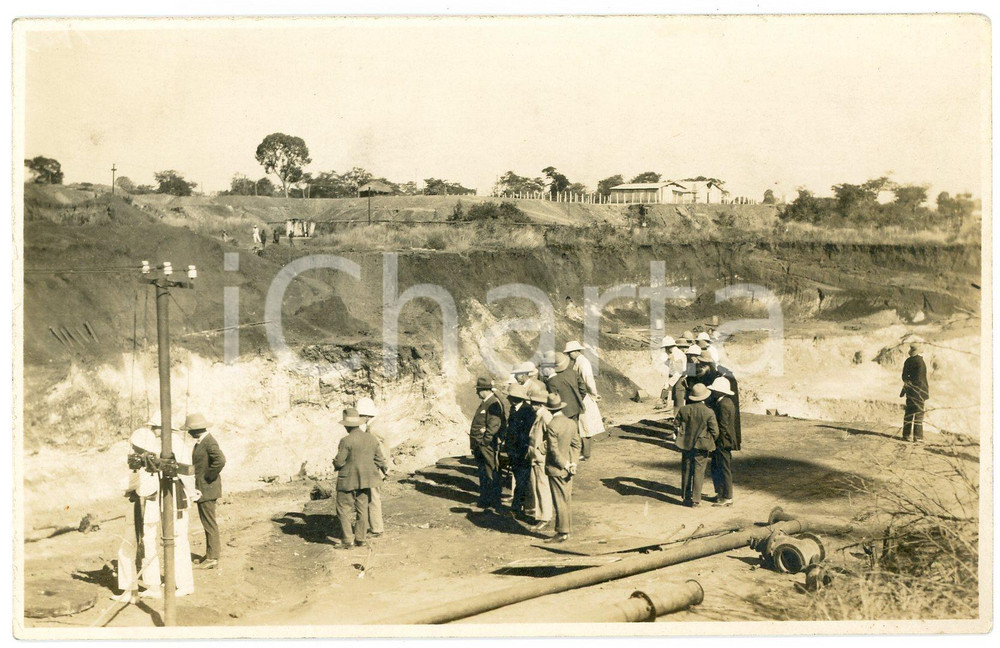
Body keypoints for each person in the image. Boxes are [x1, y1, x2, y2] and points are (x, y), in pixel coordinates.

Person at [118, 413, 195, 599]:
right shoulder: (163, 445)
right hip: (164, 496)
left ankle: (183, 584)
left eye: (155, 428)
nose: (153, 431)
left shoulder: (174, 445)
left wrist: (191, 492)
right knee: (168, 540)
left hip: (175, 496)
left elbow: (186, 474)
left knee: (176, 539)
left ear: (164, 427)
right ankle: (166, 584)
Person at [332, 408, 388, 548]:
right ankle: (361, 539)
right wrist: (384, 470)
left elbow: (339, 461)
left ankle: (347, 541)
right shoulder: (371, 438)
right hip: (366, 480)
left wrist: (336, 463)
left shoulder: (346, 440)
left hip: (348, 481)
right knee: (362, 509)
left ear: (346, 425)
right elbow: (379, 459)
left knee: (343, 509)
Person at [184, 413, 226, 570]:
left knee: (209, 523)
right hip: (204, 488)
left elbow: (220, 460)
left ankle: (212, 558)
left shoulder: (208, 442)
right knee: (207, 522)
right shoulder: (201, 442)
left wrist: (209, 476)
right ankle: (210, 554)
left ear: (196, 429)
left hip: (207, 489)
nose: (188, 433)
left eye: (190, 430)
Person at [543, 393, 581, 543]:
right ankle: (567, 530)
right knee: (566, 499)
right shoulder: (571, 423)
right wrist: (573, 464)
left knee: (559, 500)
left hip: (557, 468)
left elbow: (553, 450)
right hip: (570, 468)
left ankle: (562, 532)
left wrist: (564, 464)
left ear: (550, 410)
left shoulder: (552, 425)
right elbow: (577, 445)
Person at [676, 384, 719, 507]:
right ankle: (696, 500)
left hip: (686, 444)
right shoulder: (709, 412)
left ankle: (686, 497)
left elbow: (676, 424)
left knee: (687, 470)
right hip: (701, 445)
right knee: (699, 472)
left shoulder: (684, 409)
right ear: (704, 397)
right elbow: (715, 432)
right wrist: (709, 439)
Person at [356, 397, 391, 537]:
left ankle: (377, 528)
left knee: (373, 497)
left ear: (365, 415)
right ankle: (375, 527)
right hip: (379, 466)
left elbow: (376, 450)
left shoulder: (373, 429)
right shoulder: (377, 426)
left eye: (360, 416)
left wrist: (383, 466)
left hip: (375, 468)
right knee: (373, 496)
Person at [469, 377, 506, 512]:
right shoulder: (487, 402)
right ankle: (485, 500)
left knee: (490, 472)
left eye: (478, 390)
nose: (477, 393)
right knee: (484, 472)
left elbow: (493, 425)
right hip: (481, 445)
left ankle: (494, 501)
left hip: (487, 445)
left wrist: (484, 442)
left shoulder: (493, 403)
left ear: (484, 390)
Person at [564, 341, 604, 460]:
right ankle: (583, 451)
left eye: (570, 353)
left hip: (585, 396)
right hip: (580, 395)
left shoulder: (583, 362)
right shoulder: (578, 362)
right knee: (581, 423)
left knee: (585, 423)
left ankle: (586, 452)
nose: (569, 355)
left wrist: (594, 394)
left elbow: (588, 379)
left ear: (575, 352)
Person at [504, 384, 535, 517]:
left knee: (522, 480)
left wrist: (520, 451)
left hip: (522, 452)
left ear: (514, 398)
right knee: (521, 479)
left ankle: (516, 508)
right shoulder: (514, 408)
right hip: (514, 452)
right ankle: (525, 506)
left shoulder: (528, 411)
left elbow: (527, 434)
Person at [708, 377, 739, 507]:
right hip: (726, 440)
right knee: (722, 467)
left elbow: (723, 426)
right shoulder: (727, 402)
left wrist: (715, 440)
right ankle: (722, 493)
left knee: (723, 468)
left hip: (722, 442)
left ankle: (727, 496)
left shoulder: (722, 405)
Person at [526, 386, 554, 531]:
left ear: (541, 404)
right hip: (535, 458)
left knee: (543, 487)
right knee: (537, 486)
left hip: (540, 459)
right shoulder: (539, 415)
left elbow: (553, 436)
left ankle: (545, 517)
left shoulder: (545, 416)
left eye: (534, 403)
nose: (532, 405)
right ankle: (540, 515)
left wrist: (541, 450)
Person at [543, 351, 586, 422]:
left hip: (563, 412)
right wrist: (578, 399)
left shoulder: (551, 381)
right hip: (577, 408)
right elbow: (583, 390)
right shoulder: (573, 373)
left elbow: (554, 399)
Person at [901, 342, 929, 442]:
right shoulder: (920, 362)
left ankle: (906, 435)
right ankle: (917, 437)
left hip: (910, 391)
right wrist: (922, 393)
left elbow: (904, 376)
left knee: (909, 413)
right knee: (919, 414)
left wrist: (909, 387)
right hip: (919, 392)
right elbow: (920, 380)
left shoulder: (908, 361)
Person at [659, 336, 688, 414]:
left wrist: (669, 384)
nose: (665, 350)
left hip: (679, 380)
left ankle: (678, 421)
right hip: (676, 379)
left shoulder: (677, 355)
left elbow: (678, 372)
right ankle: (676, 419)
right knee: (676, 400)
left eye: (665, 348)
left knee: (678, 402)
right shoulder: (674, 354)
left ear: (668, 347)